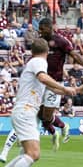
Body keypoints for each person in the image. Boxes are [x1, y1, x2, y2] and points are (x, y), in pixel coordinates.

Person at [4, 38, 76, 167]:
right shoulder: (39, 62)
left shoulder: (32, 63)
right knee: (33, 154)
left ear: (32, 51)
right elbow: (43, 78)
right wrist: (64, 88)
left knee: (26, 154)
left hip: (26, 111)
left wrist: (69, 91)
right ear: (47, 51)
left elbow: (51, 88)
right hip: (26, 111)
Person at [38, 18, 83, 146]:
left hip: (55, 82)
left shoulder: (60, 41)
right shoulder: (40, 41)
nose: (40, 31)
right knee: (39, 115)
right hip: (40, 81)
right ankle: (55, 132)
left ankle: (63, 126)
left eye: (42, 29)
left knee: (47, 117)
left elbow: (75, 55)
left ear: (50, 28)